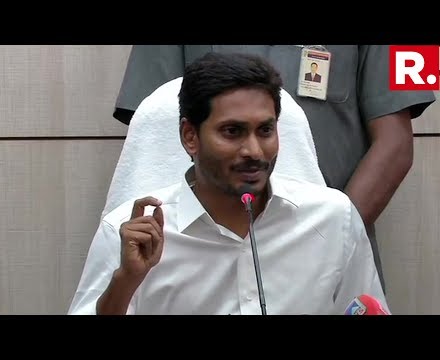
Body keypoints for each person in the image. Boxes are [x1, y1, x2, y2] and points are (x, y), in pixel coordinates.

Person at [69, 52, 388, 315]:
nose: (254, 151)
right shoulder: (131, 234)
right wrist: (125, 282)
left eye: (265, 131)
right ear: (190, 136)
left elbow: (365, 307)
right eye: (232, 132)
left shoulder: (334, 220)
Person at [113, 45, 437, 291]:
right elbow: (153, 131)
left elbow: (397, 147)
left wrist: (322, 241)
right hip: (201, 266)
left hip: (326, 263)